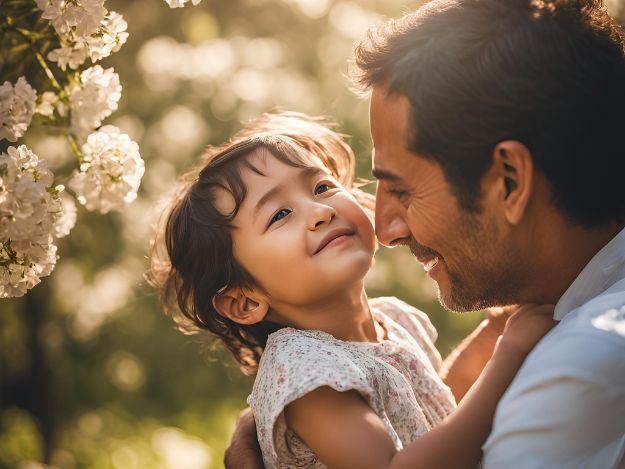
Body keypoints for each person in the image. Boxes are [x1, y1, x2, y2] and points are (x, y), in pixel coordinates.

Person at [226, 0, 625, 467]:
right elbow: (430, 414)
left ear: (510, 181)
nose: (386, 228)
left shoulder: (577, 375)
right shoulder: (307, 373)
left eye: (402, 189)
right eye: (278, 215)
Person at [148, 111, 554, 468]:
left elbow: (437, 409)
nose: (320, 212)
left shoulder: (392, 319)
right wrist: (510, 354)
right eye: (281, 214)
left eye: (322, 187)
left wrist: (494, 335)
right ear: (244, 300)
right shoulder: (305, 376)